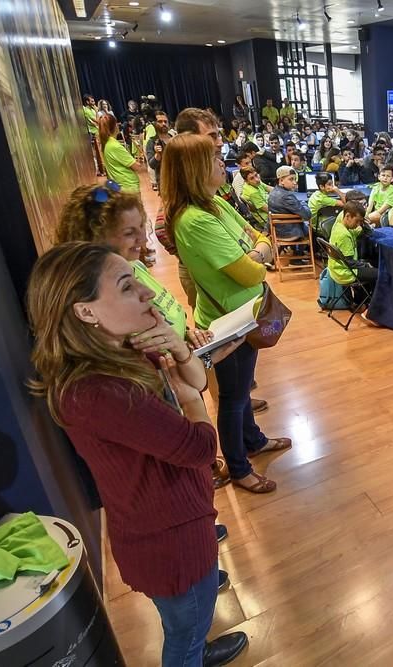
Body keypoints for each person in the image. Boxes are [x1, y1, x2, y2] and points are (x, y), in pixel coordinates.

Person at [26, 243, 249, 667]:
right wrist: (190, 401)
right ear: (85, 311)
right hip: (168, 538)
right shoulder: (99, 392)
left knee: (191, 619)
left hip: (177, 519)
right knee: (186, 630)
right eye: (127, 286)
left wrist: (181, 352)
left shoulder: (123, 351)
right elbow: (201, 447)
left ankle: (198, 650)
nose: (147, 293)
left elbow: (196, 380)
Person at [161, 132, 290, 494]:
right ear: (194, 169)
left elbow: (257, 233)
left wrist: (258, 248)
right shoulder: (194, 220)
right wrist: (260, 253)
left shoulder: (214, 204)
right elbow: (252, 268)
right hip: (228, 322)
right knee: (233, 398)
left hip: (248, 312)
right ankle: (238, 467)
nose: (223, 163)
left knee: (242, 391)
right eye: (214, 158)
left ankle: (254, 440)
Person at [328, 200, 377, 291]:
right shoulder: (344, 235)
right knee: (378, 273)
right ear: (348, 216)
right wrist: (365, 265)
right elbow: (349, 262)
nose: (358, 225)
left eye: (360, 222)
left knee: (369, 265)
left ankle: (360, 299)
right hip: (344, 272)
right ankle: (373, 302)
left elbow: (368, 232)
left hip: (336, 268)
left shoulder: (340, 224)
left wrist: (363, 222)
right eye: (357, 221)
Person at [99, 114, 143, 193]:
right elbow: (137, 167)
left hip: (120, 186)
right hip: (128, 188)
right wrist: (140, 161)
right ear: (115, 126)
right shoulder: (114, 146)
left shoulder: (106, 143)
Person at [268, 165, 311, 240]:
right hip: (289, 233)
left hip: (277, 231)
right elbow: (307, 215)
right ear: (281, 181)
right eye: (291, 179)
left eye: (295, 179)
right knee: (313, 228)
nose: (294, 183)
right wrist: (303, 202)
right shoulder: (287, 196)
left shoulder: (273, 192)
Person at [239, 166, 272, 232]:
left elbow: (269, 188)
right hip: (268, 219)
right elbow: (268, 209)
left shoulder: (256, 183)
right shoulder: (252, 193)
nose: (256, 179)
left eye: (256, 175)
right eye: (252, 178)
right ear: (246, 181)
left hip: (272, 206)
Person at [83, 95, 104, 176]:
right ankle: (99, 170)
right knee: (96, 153)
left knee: (100, 152)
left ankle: (102, 170)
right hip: (93, 134)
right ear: (87, 102)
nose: (94, 102)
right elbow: (97, 121)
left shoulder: (92, 109)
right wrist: (97, 111)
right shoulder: (87, 111)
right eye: (91, 101)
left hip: (98, 132)